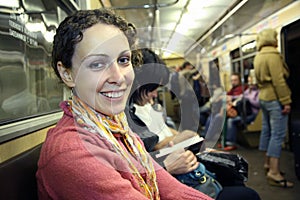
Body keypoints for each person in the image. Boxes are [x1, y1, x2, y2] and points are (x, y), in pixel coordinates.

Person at [36, 9, 213, 200]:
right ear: (67, 74)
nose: (119, 77)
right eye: (97, 64)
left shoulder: (119, 130)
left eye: (123, 60)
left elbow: (171, 189)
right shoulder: (73, 153)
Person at [127, 48, 261, 200]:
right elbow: (154, 149)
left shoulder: (138, 108)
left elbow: (160, 135)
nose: (155, 94)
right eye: (153, 89)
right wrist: (182, 145)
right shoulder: (128, 116)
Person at [253, 28, 293, 188]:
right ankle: (274, 173)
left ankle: (268, 164)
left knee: (267, 131)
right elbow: (279, 81)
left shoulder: (258, 56)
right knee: (278, 134)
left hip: (263, 97)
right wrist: (286, 101)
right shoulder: (273, 56)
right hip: (275, 97)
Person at [223, 75, 260, 151]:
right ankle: (225, 141)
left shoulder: (258, 91)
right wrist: (231, 98)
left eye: (251, 81)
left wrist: (248, 98)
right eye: (249, 81)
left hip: (253, 114)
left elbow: (257, 104)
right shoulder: (248, 90)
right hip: (245, 113)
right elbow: (241, 96)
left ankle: (230, 143)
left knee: (231, 120)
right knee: (226, 118)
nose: (250, 84)